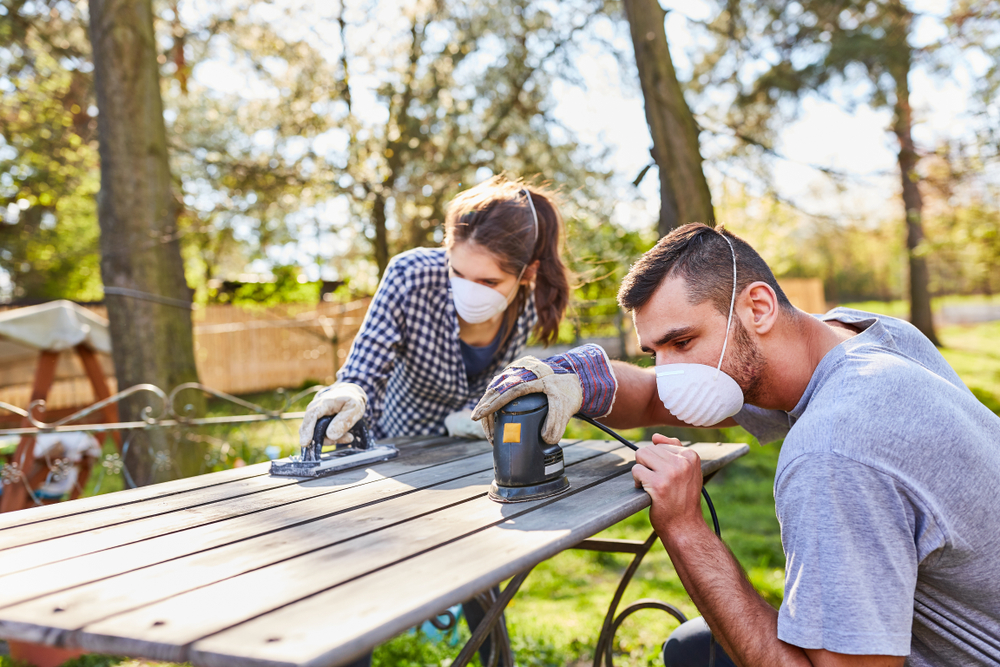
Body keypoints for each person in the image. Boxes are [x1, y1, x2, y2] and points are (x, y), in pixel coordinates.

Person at [472, 223, 1000, 667]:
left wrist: (684, 529)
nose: (668, 370)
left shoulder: (833, 451)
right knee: (693, 647)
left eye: (682, 342)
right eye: (655, 350)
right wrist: (583, 380)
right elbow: (658, 397)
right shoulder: (874, 337)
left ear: (759, 307)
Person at [300, 175, 571, 666]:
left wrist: (473, 416)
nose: (470, 291)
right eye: (458, 272)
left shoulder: (527, 306)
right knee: (363, 581)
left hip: (466, 453)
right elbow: (364, 365)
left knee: (478, 566)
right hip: (392, 451)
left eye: (489, 282)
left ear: (526, 273)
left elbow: (500, 382)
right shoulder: (411, 276)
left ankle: (493, 658)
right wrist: (347, 391)